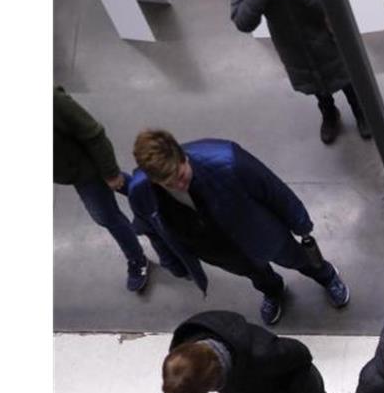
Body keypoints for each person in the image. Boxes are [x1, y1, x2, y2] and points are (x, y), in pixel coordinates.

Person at [129, 128, 350, 325]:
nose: (179, 185)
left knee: (298, 258)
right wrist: (173, 262)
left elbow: (272, 190)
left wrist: (300, 223)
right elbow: (152, 230)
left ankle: (327, 275)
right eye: (169, 184)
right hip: (218, 250)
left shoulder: (228, 160)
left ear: (183, 157)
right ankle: (273, 291)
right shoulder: (140, 192)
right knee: (255, 274)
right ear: (153, 180)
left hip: (261, 232)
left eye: (181, 175)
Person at [230, 0, 372, 145]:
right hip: (292, 46)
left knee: (345, 76)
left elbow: (335, 1)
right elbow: (242, 22)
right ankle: (328, 112)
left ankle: (360, 110)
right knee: (315, 83)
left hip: (328, 38)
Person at [163, 310, 340, 393]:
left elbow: (302, 359)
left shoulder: (266, 353)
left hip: (296, 384)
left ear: (215, 377)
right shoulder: (185, 349)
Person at [54, 86, 150, 292]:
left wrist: (110, 172)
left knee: (105, 215)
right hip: (66, 171)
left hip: (85, 170)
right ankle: (156, 202)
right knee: (126, 187)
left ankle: (137, 258)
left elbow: (93, 134)